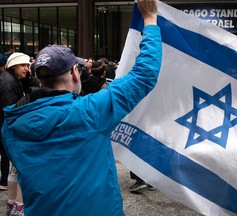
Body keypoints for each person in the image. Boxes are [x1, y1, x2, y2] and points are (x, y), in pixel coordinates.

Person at [1, 0, 161, 215]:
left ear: (40, 80)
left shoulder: (10, 125)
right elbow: (144, 74)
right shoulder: (89, 112)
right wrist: (150, 20)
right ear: (75, 73)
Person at [0, 52, 31, 215]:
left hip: (9, 130)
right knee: (17, 169)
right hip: (10, 131)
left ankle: (12, 205)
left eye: (28, 65)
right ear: (14, 66)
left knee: (13, 170)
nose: (27, 69)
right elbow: (10, 111)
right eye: (23, 65)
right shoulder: (8, 82)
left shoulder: (11, 79)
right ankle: (17, 207)